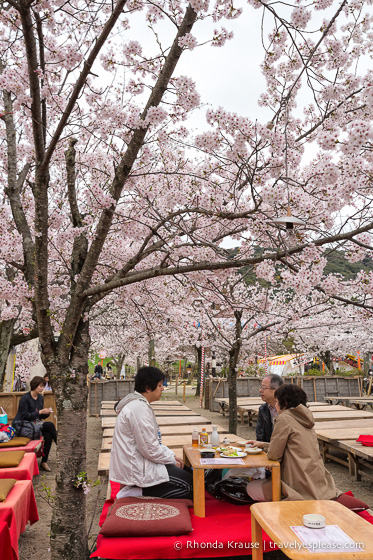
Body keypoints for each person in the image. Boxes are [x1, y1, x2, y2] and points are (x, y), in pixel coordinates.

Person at [246, 384, 340, 502]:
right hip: (316, 479)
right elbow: (295, 447)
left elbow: (274, 454)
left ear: (284, 402)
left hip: (298, 481)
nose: (275, 406)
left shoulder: (284, 418)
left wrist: (268, 450)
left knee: (251, 488)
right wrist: (263, 445)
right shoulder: (304, 417)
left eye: (276, 402)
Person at [109, 366, 193, 499]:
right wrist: (170, 460)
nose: (163, 388)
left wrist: (170, 456)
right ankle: (137, 492)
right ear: (148, 388)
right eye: (160, 385)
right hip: (138, 469)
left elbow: (152, 443)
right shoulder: (138, 409)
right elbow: (149, 449)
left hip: (141, 462)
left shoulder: (139, 405)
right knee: (192, 488)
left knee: (193, 478)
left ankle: (140, 489)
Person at [13, 375, 57, 472]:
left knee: (48, 435)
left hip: (35, 425)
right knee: (50, 425)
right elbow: (25, 416)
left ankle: (44, 462)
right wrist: (40, 412)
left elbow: (39, 416)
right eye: (40, 386)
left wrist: (46, 413)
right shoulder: (25, 398)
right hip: (23, 426)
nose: (42, 388)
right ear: (34, 385)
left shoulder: (40, 398)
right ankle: (60, 446)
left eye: (43, 386)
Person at [256, 374, 284, 443]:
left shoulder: (289, 408)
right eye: (260, 387)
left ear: (276, 390)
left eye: (264, 387)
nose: (260, 390)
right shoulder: (263, 409)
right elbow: (260, 437)